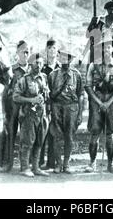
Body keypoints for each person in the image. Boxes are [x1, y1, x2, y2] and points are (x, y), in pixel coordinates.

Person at [84, 38, 113, 174]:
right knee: (94, 132)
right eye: (104, 48)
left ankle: (111, 164)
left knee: (110, 133)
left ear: (112, 49)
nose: (107, 50)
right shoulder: (93, 66)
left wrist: (109, 102)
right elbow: (88, 86)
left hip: (111, 101)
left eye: (109, 48)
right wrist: (100, 102)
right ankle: (92, 163)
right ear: (100, 50)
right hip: (97, 100)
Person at [13, 52, 50, 177]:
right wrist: (31, 100)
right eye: (36, 63)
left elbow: (46, 94)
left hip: (42, 114)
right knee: (27, 142)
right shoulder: (24, 79)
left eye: (40, 63)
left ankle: (36, 167)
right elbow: (16, 97)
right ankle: (24, 168)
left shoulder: (44, 78)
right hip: (28, 114)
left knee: (39, 141)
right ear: (30, 64)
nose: (38, 66)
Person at [48, 46, 84, 174]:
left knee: (69, 137)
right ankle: (58, 164)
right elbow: (50, 95)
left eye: (66, 57)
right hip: (57, 107)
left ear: (70, 59)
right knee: (57, 136)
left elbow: (80, 95)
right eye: (62, 56)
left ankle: (66, 163)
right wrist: (50, 111)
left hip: (71, 108)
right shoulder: (53, 75)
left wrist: (79, 114)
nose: (64, 59)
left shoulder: (76, 75)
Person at [0, 40, 30, 172]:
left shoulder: (32, 69)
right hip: (13, 108)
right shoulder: (12, 70)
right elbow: (5, 92)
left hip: (27, 108)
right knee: (10, 135)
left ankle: (27, 164)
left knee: (28, 136)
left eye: (28, 52)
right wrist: (4, 112)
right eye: (23, 52)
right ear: (17, 53)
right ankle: (7, 163)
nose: (26, 54)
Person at [39, 38, 61, 170]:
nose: (52, 51)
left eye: (54, 49)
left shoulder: (61, 68)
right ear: (46, 51)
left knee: (55, 134)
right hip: (46, 105)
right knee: (42, 132)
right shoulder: (44, 69)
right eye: (49, 49)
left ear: (57, 51)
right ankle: (39, 161)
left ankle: (51, 162)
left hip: (58, 105)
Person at [85, 0, 113, 64]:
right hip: (98, 51)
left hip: (111, 52)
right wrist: (92, 23)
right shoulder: (99, 21)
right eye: (110, 10)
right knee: (92, 68)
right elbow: (87, 35)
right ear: (107, 10)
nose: (112, 12)